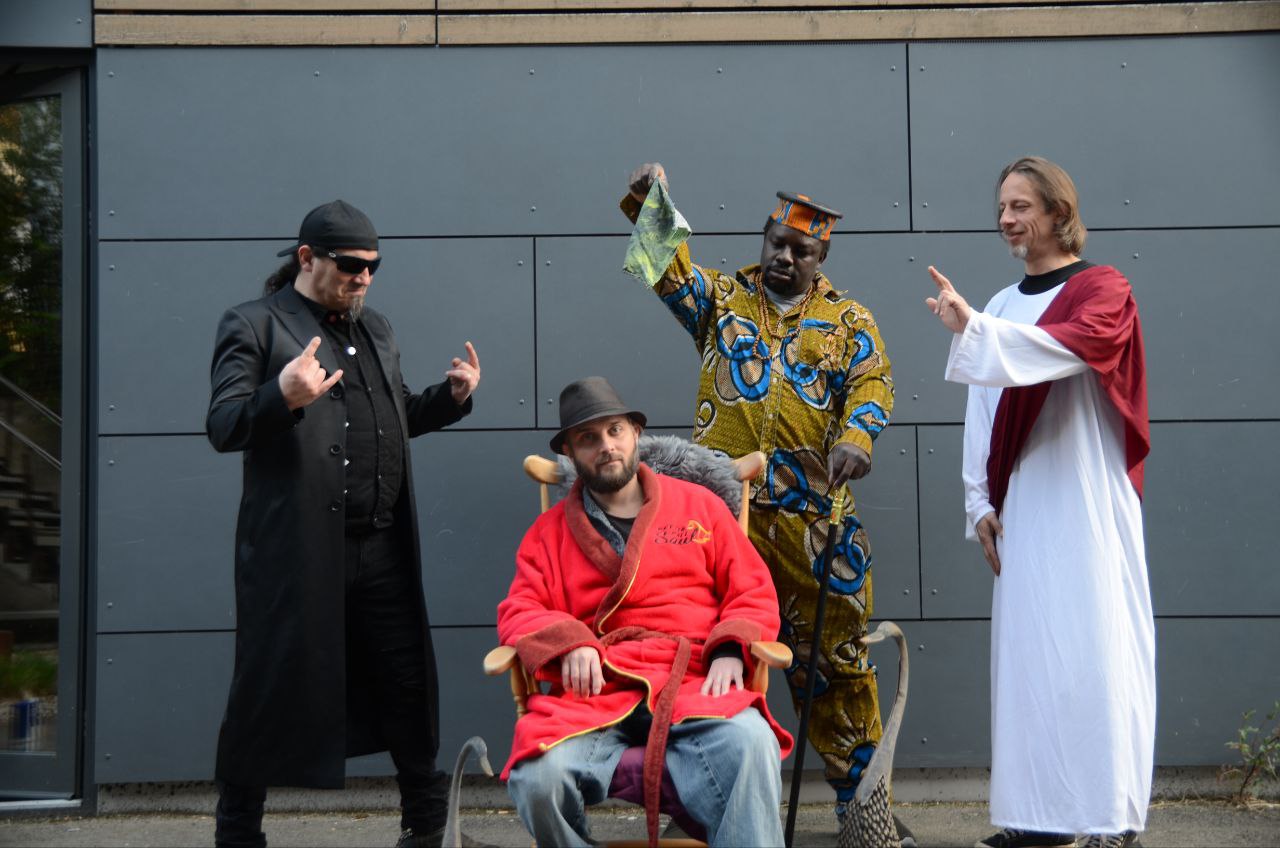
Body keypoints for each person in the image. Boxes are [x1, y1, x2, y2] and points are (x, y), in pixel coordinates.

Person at [621, 164, 897, 834]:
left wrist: (858, 435)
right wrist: (649, 201)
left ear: (821, 256)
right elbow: (664, 268)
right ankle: (711, 803)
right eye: (777, 243)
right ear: (764, 239)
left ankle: (861, 808)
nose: (785, 257)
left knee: (836, 661)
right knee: (709, 651)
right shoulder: (722, 302)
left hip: (814, 524)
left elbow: (873, 383)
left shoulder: (848, 321)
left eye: (801, 250)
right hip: (722, 522)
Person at [206, 199, 481, 848]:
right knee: (265, 691)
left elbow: (395, 414)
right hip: (299, 553)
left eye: (374, 266)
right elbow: (223, 424)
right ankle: (238, 834)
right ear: (307, 258)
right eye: (352, 265)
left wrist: (451, 399)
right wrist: (281, 396)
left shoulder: (375, 327)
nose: (364, 277)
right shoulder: (254, 324)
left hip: (382, 546)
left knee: (407, 686)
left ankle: (425, 828)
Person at [925, 156, 1154, 848]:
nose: (1006, 219)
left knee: (1098, 651)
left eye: (1021, 206)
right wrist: (977, 503)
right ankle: (1038, 821)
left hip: (1088, 500)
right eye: (1002, 207)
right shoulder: (999, 307)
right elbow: (984, 410)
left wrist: (977, 331)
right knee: (1030, 658)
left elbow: (1075, 346)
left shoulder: (1103, 289)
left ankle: (1110, 818)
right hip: (1025, 501)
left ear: (1059, 212)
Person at [498, 377, 793, 848]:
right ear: (570, 453)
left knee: (752, 742)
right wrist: (570, 641)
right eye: (588, 438)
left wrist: (731, 649)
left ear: (636, 433)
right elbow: (520, 608)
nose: (606, 446)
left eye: (615, 430)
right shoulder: (548, 533)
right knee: (536, 778)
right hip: (594, 694)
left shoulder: (700, 507)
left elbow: (752, 589)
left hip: (693, 683)